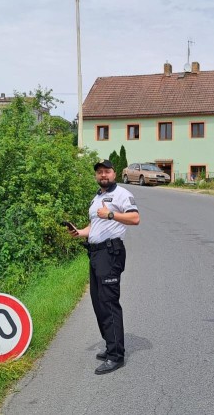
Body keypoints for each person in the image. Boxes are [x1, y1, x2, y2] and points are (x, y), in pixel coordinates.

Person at [66, 159, 140, 375]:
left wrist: (110, 214)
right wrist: (80, 232)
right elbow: (95, 225)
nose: (103, 175)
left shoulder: (122, 195)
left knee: (108, 303)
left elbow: (135, 218)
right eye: (99, 172)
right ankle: (110, 346)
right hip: (96, 253)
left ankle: (116, 355)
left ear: (114, 173)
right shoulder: (97, 197)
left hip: (111, 253)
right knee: (98, 303)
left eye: (107, 171)